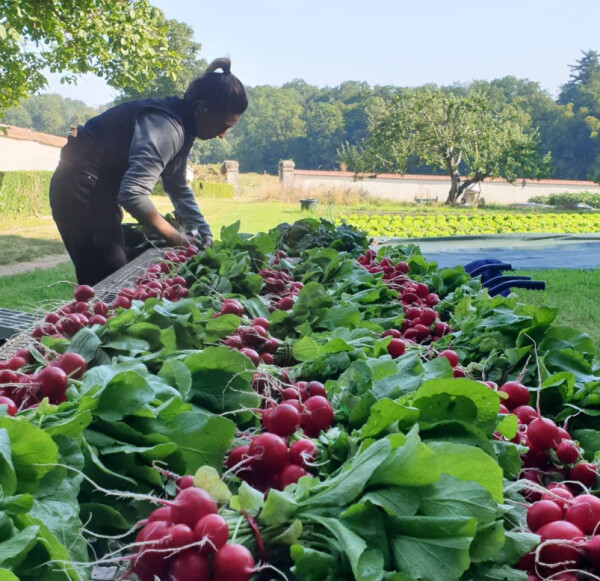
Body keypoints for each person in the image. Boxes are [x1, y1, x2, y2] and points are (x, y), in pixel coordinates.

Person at [49, 57, 247, 286]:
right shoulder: (167, 127)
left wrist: (204, 233)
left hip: (95, 188)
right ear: (202, 109)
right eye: (223, 126)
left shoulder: (184, 127)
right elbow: (133, 194)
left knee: (118, 271)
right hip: (80, 188)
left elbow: (178, 187)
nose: (223, 135)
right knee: (109, 282)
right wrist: (178, 239)